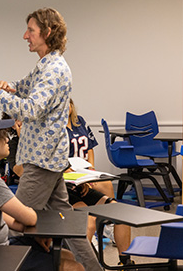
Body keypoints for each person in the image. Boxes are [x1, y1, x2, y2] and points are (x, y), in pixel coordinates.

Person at [0, 7, 101, 270]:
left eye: (31, 30)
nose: (25, 35)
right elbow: (26, 87)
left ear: (47, 32)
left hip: (41, 161)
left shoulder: (54, 69)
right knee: (67, 223)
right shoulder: (45, 64)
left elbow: (30, 109)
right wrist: (9, 86)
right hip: (46, 158)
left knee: (18, 229)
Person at [0, 112, 84, 271]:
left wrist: (25, 229)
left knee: (66, 254)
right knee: (73, 267)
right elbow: (30, 218)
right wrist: (27, 221)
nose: (7, 139)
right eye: (2, 135)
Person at [66, 99, 133, 267]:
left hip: (84, 177)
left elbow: (89, 147)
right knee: (87, 221)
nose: (66, 107)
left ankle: (125, 262)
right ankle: (84, 262)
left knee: (121, 213)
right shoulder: (52, 130)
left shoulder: (79, 121)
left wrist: (91, 170)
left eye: (69, 103)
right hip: (68, 185)